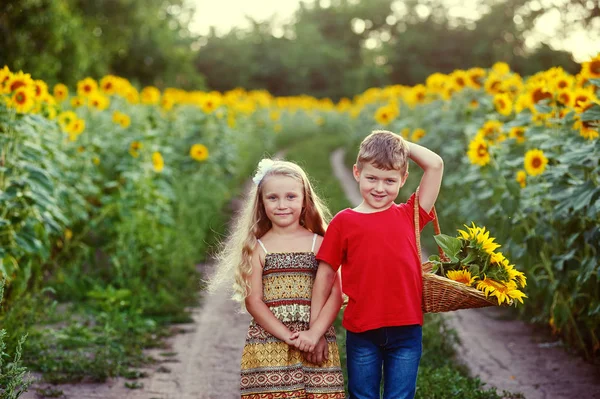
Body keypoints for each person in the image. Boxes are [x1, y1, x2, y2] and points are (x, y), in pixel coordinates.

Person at [295, 130, 444, 399]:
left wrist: (398, 144)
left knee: (400, 396)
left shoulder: (409, 215)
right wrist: (315, 328)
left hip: (407, 330)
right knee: (362, 396)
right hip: (362, 331)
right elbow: (326, 276)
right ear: (356, 173)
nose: (379, 188)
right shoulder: (344, 222)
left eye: (390, 180)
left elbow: (435, 164)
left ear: (404, 180)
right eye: (371, 178)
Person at [211, 159, 346, 399]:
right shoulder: (257, 248)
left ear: (305, 200)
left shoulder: (320, 243)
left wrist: (316, 334)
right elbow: (254, 301)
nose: (282, 205)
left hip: (315, 340)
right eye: (273, 198)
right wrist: (289, 337)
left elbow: (334, 294)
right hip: (269, 341)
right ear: (261, 203)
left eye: (291, 197)